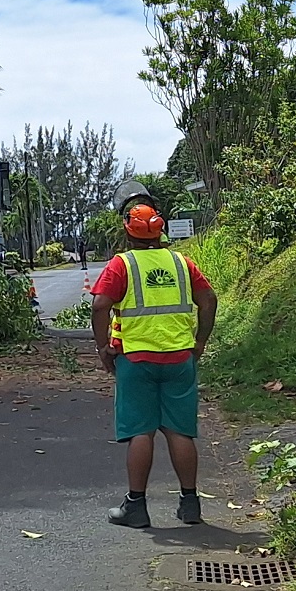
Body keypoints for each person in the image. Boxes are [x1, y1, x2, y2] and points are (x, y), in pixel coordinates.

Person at [89, 203, 216, 528]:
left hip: (136, 360)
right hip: (179, 358)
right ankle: (190, 504)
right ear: (160, 230)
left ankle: (136, 506)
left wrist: (104, 348)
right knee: (179, 430)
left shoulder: (122, 265)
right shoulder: (181, 262)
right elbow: (208, 299)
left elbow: (100, 304)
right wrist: (200, 340)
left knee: (140, 431)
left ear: (128, 230)